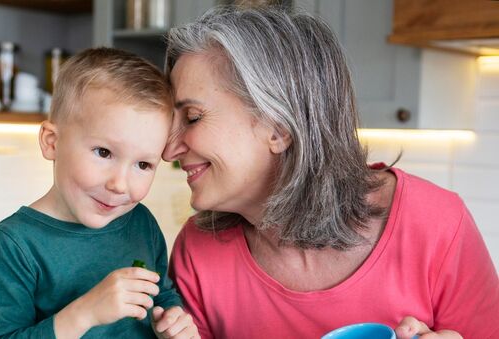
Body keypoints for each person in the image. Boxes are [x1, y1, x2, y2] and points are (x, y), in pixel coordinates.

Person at [162, 5, 499, 339]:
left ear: (278, 128)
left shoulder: (435, 224)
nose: (168, 149)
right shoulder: (197, 252)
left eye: (192, 117)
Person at [0, 47, 198, 339]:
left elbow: (160, 293)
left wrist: (172, 318)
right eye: (104, 152)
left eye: (143, 164)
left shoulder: (142, 224)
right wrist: (85, 313)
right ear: (52, 142)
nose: (119, 184)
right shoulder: (12, 247)